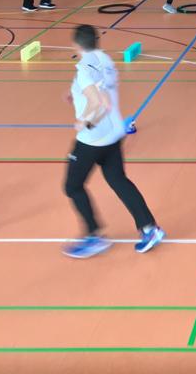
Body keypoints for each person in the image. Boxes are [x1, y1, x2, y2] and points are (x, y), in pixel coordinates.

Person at [63, 24, 165, 258]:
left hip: (93, 139)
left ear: (76, 45)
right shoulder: (105, 60)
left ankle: (94, 236)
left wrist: (85, 122)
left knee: (72, 186)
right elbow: (99, 89)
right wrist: (74, 93)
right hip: (114, 134)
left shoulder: (84, 69)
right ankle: (149, 229)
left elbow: (100, 103)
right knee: (118, 180)